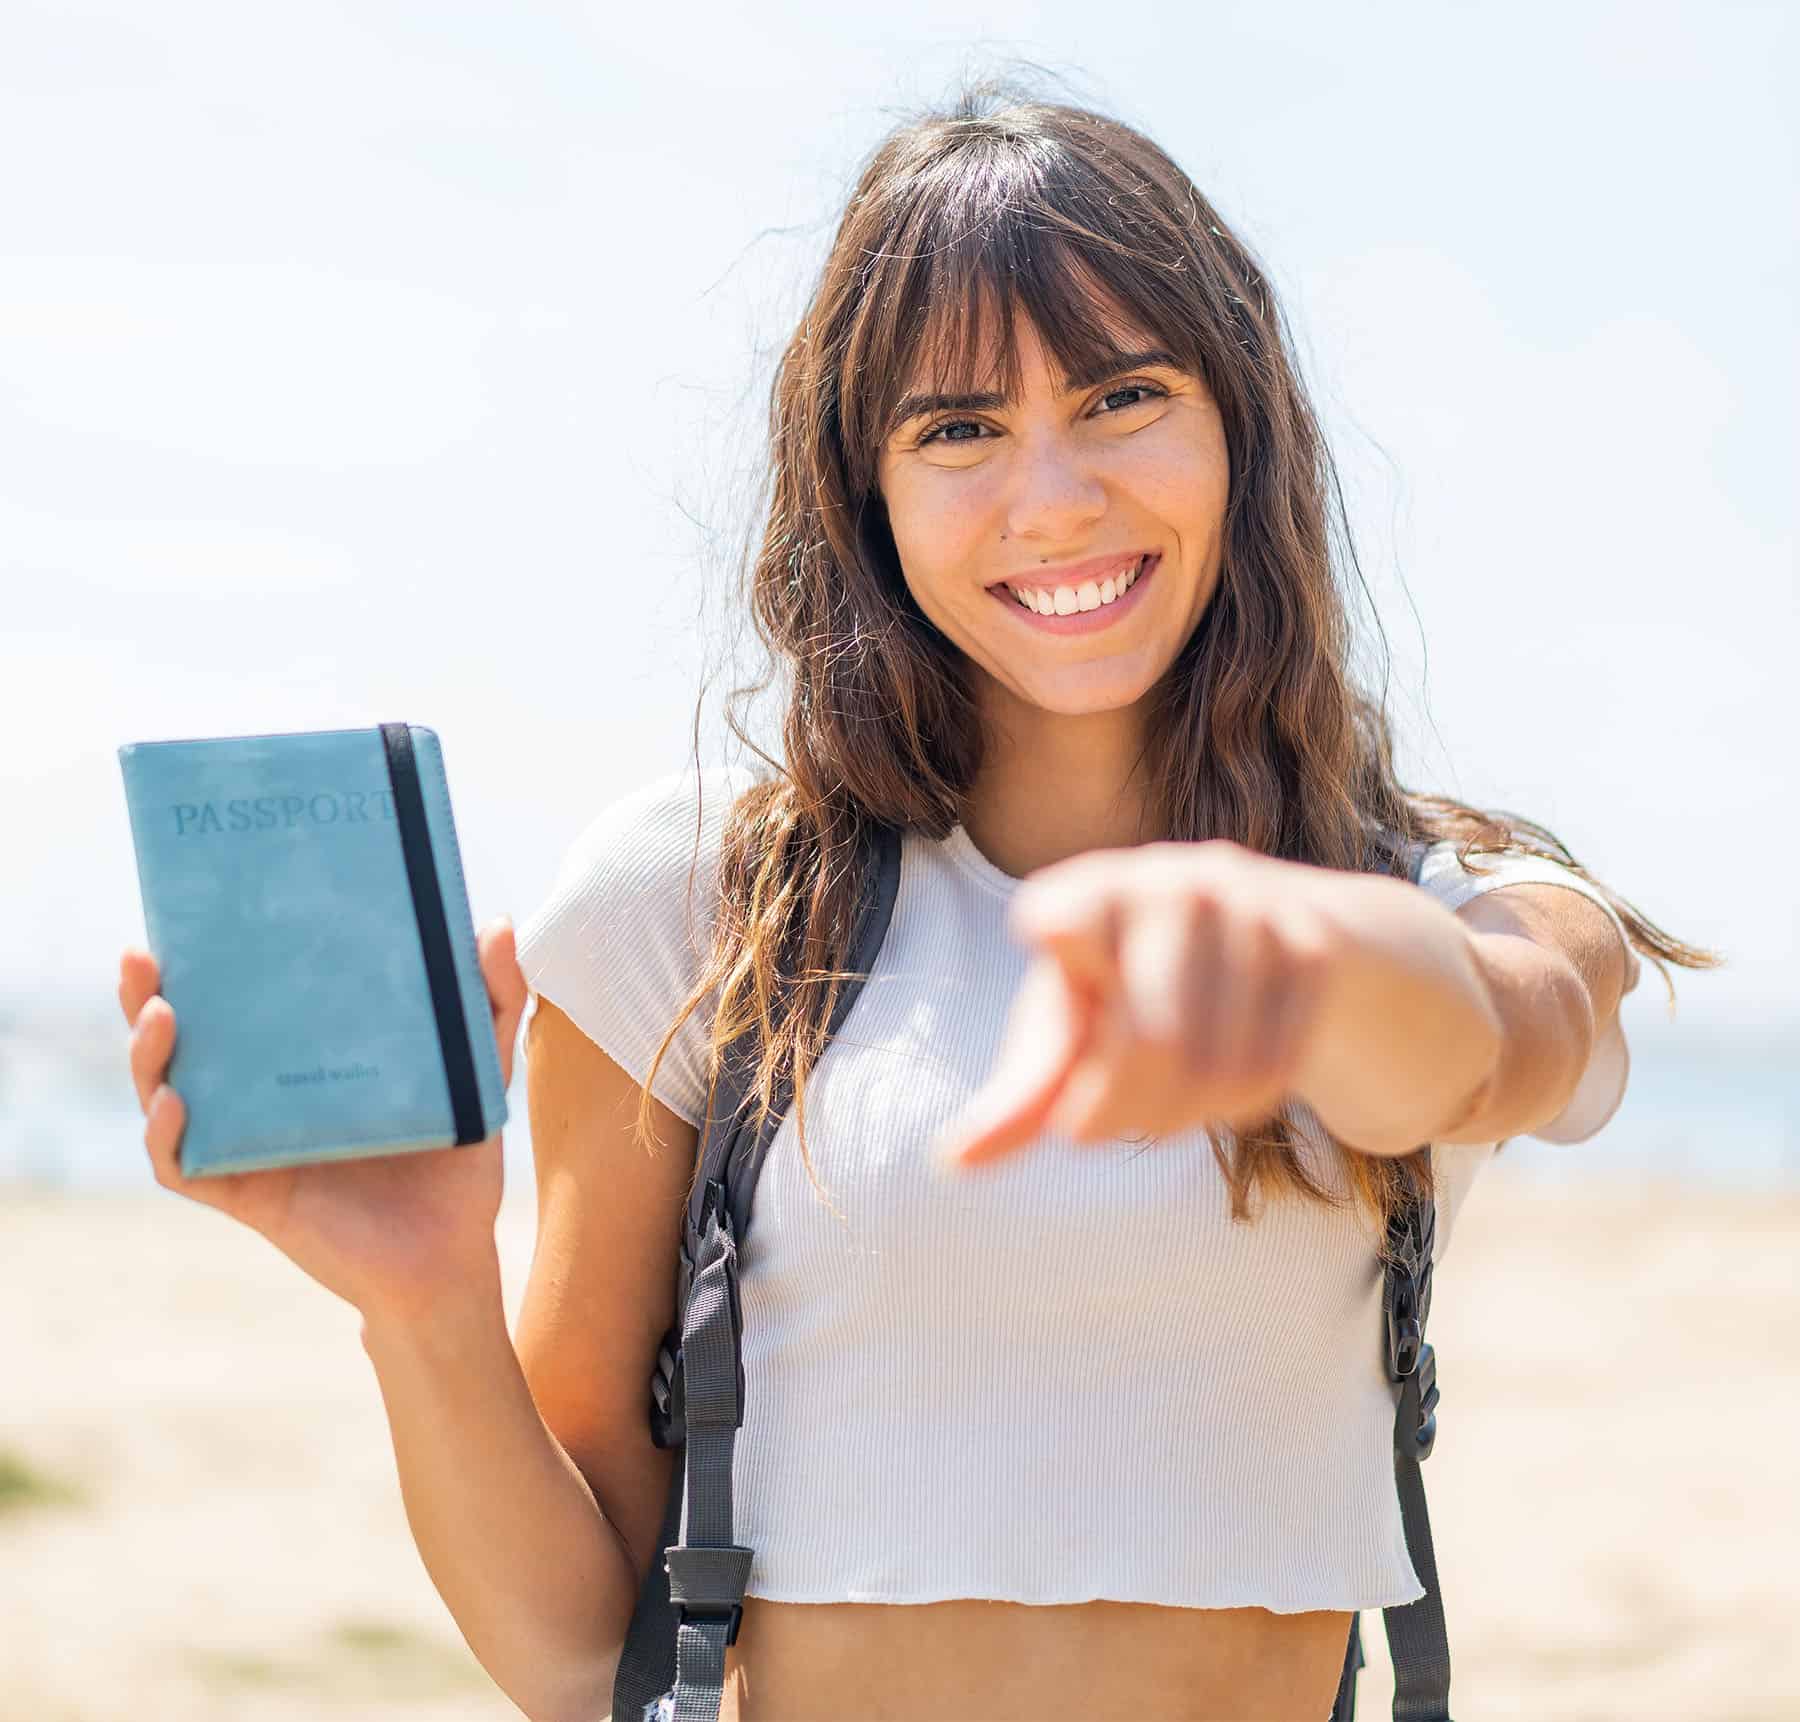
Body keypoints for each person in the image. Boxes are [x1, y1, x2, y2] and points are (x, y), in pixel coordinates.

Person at [118, 78, 1720, 1722]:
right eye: (957, 427)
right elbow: (579, 1657)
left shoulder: (1444, 901)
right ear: (863, 489)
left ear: (1241, 423)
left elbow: (1493, 1040)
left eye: (1122, 396)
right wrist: (424, 1299)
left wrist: (1312, 963)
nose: (1053, 497)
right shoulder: (699, 913)